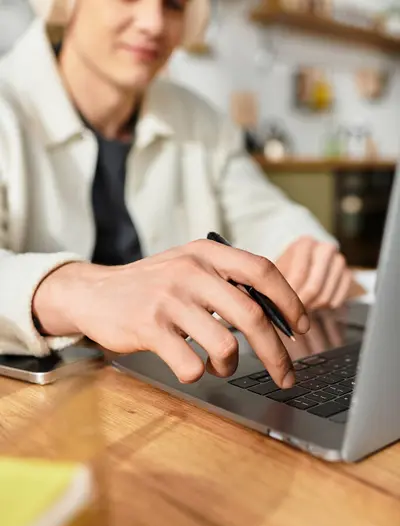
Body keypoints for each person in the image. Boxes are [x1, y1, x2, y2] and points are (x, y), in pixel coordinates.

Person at [0, 0, 352, 388]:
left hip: (180, 395)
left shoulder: (200, 121)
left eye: (174, 5)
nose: (154, 23)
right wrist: (82, 291)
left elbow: (267, 215)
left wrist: (307, 251)